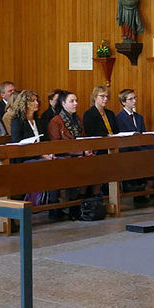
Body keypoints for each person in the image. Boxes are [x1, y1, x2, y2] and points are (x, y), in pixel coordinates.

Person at [46, 91, 90, 220]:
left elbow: (82, 138)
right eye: (72, 101)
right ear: (63, 103)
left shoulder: (78, 119)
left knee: (94, 164)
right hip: (63, 156)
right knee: (71, 167)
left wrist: (86, 151)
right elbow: (57, 146)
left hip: (78, 154)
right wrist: (80, 152)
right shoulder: (56, 121)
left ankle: (80, 204)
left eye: (76, 101)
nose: (75, 104)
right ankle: (69, 207)